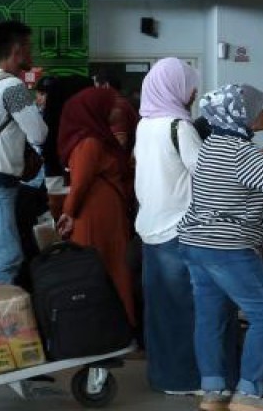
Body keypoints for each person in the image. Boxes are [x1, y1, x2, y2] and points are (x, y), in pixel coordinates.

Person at [178, 84, 263, 411]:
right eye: (259, 109)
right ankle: (250, 394)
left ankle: (214, 392)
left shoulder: (213, 144)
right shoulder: (242, 152)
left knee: (211, 318)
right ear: (241, 115)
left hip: (195, 242)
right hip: (227, 247)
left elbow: (232, 184)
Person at [133, 58, 203, 394]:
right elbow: (205, 174)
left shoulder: (144, 125)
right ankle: (184, 379)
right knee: (186, 308)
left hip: (150, 226)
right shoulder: (180, 127)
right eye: (190, 86)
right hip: (179, 230)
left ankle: (162, 376)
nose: (193, 94)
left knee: (161, 309)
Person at [0, 21, 48, 288]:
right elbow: (38, 134)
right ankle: (1, 313)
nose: (32, 53)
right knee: (8, 257)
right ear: (17, 50)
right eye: (29, 47)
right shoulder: (13, 88)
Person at [56, 87, 137, 328]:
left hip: (94, 211)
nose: (116, 110)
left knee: (98, 267)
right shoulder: (97, 140)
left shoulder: (89, 141)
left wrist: (68, 212)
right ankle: (122, 324)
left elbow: (80, 183)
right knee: (113, 265)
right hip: (104, 209)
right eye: (109, 106)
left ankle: (103, 327)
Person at [94, 69, 141, 153]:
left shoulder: (116, 106)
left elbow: (120, 141)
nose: (93, 93)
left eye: (96, 88)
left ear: (106, 85)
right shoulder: (120, 103)